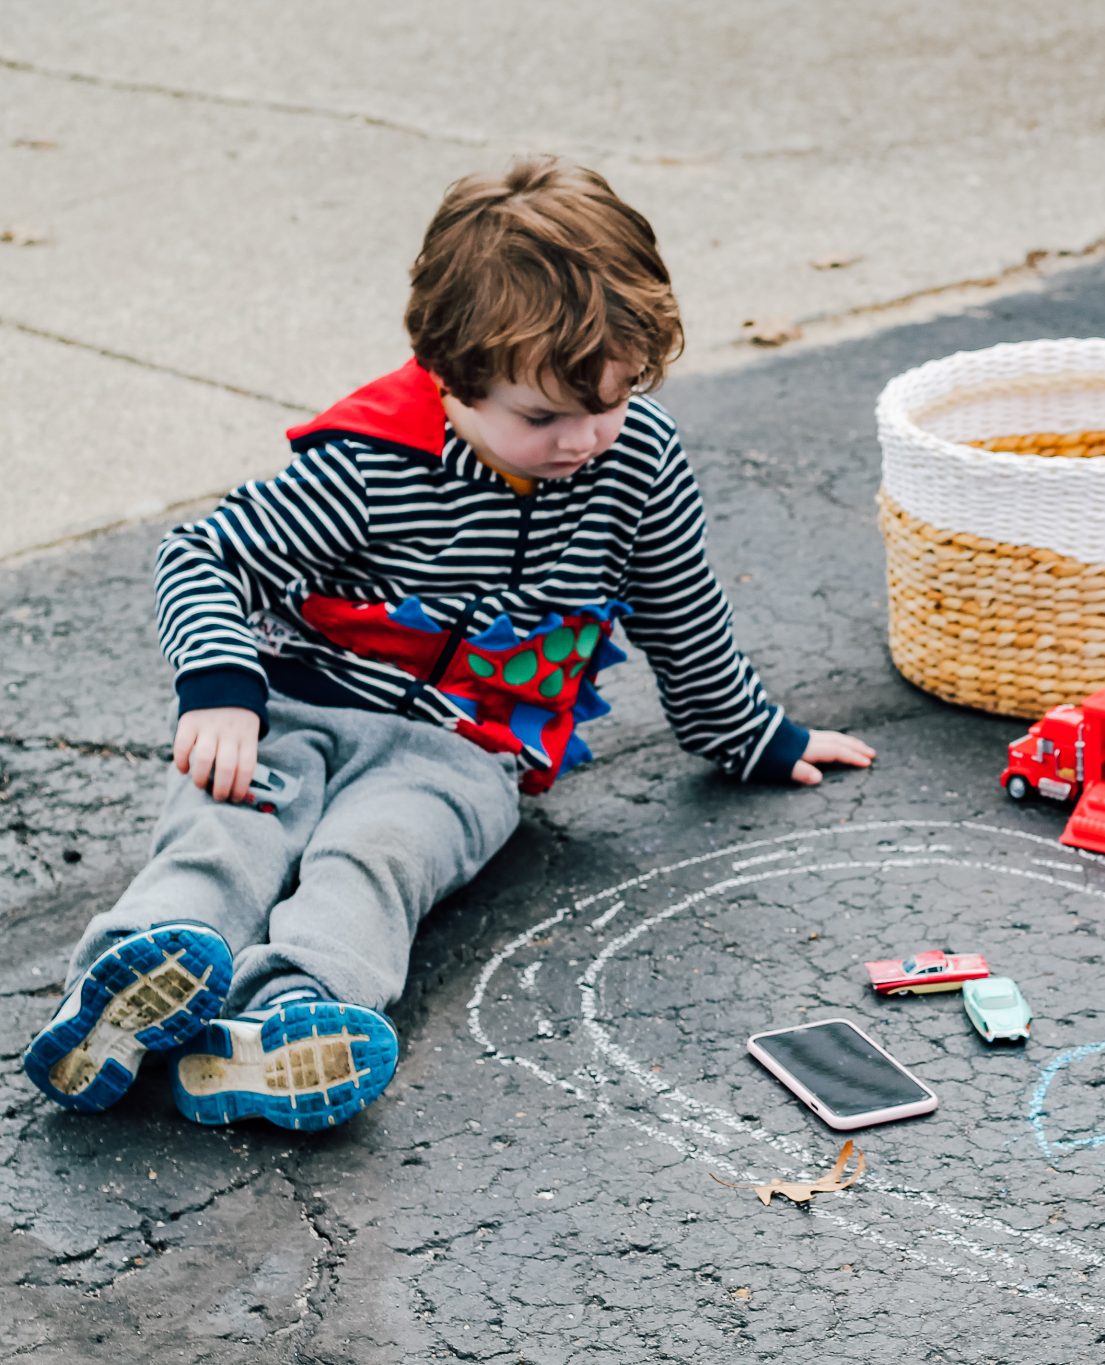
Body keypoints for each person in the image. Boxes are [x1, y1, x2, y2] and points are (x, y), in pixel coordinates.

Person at [23, 158, 874, 1131]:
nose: (583, 439)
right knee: (230, 822)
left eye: (612, 399)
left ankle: (287, 1024)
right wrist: (220, 687)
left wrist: (750, 735)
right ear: (449, 378)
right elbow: (204, 556)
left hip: (463, 745)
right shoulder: (371, 467)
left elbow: (681, 608)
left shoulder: (636, 461)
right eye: (543, 416)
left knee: (379, 856)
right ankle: (132, 983)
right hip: (297, 696)